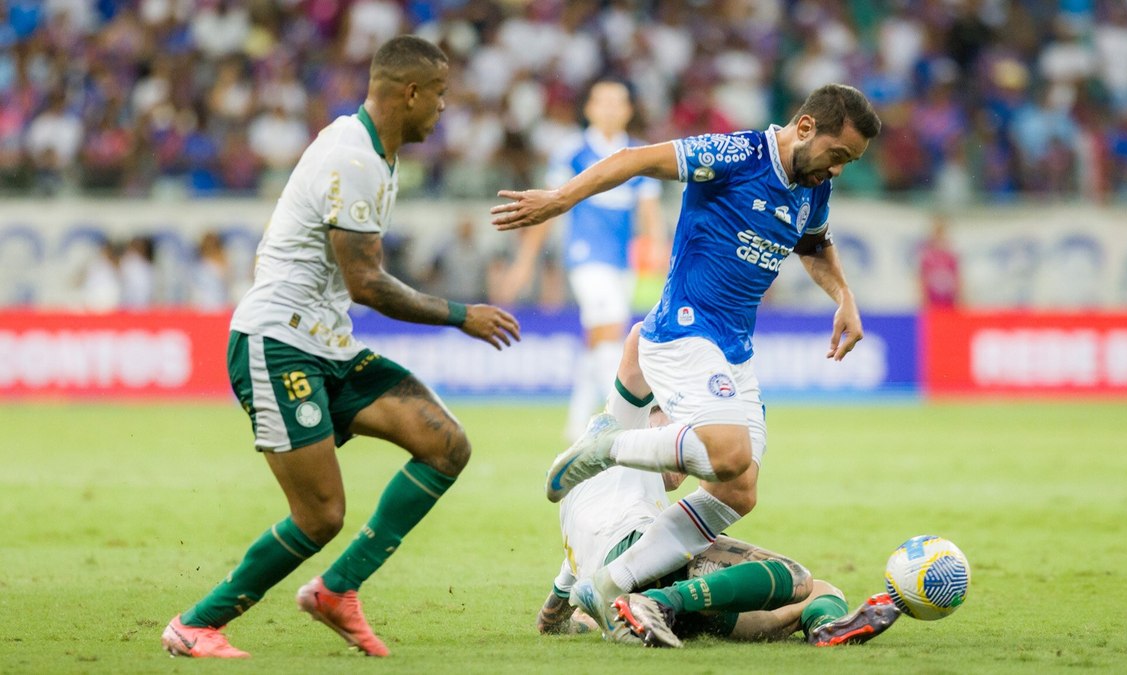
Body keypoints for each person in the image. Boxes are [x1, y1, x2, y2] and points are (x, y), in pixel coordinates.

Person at [161, 36, 521, 659]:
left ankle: (337, 590)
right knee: (320, 514)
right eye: (439, 95)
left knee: (445, 445)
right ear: (409, 92)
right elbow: (367, 284)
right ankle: (195, 624)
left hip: (326, 344)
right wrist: (461, 314)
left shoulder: (373, 150)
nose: (444, 108)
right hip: (278, 344)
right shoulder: (353, 157)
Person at [493, 83, 880, 631]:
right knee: (726, 451)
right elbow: (633, 159)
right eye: (838, 155)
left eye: (849, 162)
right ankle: (607, 446)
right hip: (683, 330)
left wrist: (845, 298)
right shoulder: (736, 155)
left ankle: (608, 586)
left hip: (735, 348)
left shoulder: (814, 185)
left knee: (738, 489)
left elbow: (813, 245)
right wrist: (559, 200)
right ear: (807, 127)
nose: (837, 170)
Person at [536, 397, 900, 648]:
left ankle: (823, 629)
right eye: (681, 434)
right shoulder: (622, 447)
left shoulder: (574, 494)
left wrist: (570, 622)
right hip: (637, 553)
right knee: (798, 578)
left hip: (612, 582)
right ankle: (660, 603)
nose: (687, 459)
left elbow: (551, 615)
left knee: (821, 595)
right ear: (652, 416)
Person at [498, 78, 667, 440]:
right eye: (602, 101)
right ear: (589, 109)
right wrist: (525, 263)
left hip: (622, 262)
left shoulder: (639, 154)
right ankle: (622, 424)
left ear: (628, 110)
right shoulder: (572, 152)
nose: (609, 108)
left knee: (601, 338)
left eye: (617, 102)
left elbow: (650, 216)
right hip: (586, 257)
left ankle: (576, 424)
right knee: (610, 329)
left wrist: (662, 255)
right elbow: (548, 207)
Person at [917, 212, 961, 309]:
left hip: (949, 301)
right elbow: (922, 278)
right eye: (937, 230)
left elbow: (957, 278)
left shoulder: (951, 253)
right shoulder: (926, 254)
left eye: (941, 230)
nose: (939, 233)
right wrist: (923, 300)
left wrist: (959, 299)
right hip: (932, 301)